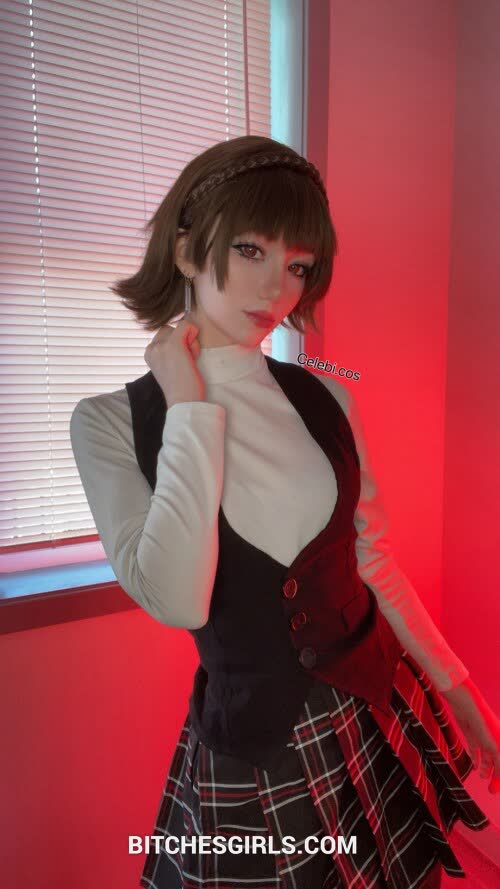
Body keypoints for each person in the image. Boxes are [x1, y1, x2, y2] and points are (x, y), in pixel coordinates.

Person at [70, 135, 499, 889]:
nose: (276, 287)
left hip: (378, 707)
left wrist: (459, 688)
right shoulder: (109, 422)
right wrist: (188, 406)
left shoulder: (327, 395)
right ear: (185, 250)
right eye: (250, 250)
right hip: (257, 751)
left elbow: (372, 562)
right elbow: (178, 599)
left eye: (298, 265)